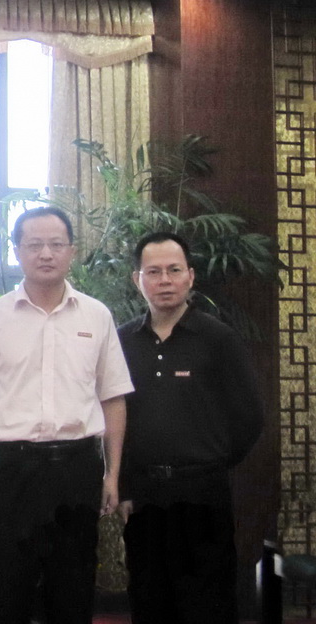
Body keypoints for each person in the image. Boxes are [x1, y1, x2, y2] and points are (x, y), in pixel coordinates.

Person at [0, 206, 134, 624]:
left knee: (72, 592)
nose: (46, 253)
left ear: (71, 251)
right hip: (10, 471)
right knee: (6, 592)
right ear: (17, 251)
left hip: (77, 469)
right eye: (34, 244)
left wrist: (112, 475)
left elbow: (113, 398)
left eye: (56, 244)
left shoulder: (96, 315)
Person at [116, 232, 262, 624]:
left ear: (191, 276)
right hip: (144, 496)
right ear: (137, 279)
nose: (164, 280)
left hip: (203, 493)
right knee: (149, 599)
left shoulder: (219, 339)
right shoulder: (122, 341)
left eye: (174, 270)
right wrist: (125, 485)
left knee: (208, 603)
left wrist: (211, 461)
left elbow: (250, 417)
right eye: (154, 272)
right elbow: (113, 419)